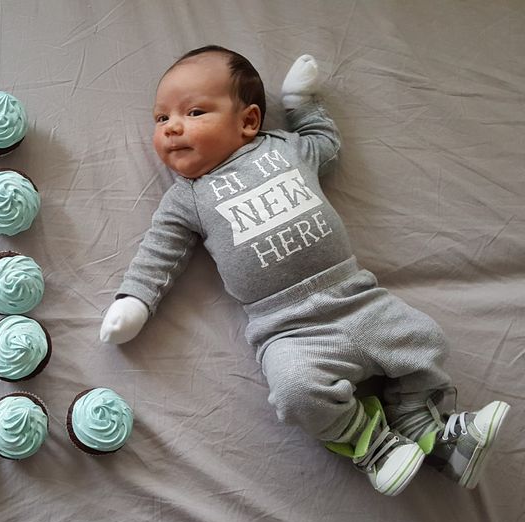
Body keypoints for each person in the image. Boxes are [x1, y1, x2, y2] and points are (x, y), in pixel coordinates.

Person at [99, 45, 510, 496]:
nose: (172, 126)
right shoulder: (186, 199)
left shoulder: (284, 149)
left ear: (249, 122)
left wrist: (301, 104)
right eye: (160, 120)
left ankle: (427, 425)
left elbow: (326, 143)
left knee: (425, 338)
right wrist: (134, 300)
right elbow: (159, 252)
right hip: (288, 329)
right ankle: (368, 442)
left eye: (194, 111)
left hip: (357, 298)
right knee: (295, 392)